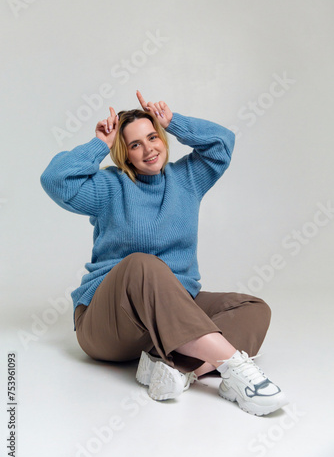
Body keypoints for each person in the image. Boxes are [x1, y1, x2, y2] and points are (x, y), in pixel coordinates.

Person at [40, 90, 287, 416]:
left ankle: (172, 367)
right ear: (124, 153)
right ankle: (236, 371)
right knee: (143, 264)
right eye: (135, 144)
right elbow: (54, 179)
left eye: (153, 137)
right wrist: (99, 144)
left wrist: (175, 122)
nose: (148, 149)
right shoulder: (109, 187)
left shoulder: (186, 179)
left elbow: (222, 143)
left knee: (253, 308)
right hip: (111, 322)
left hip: (169, 315)